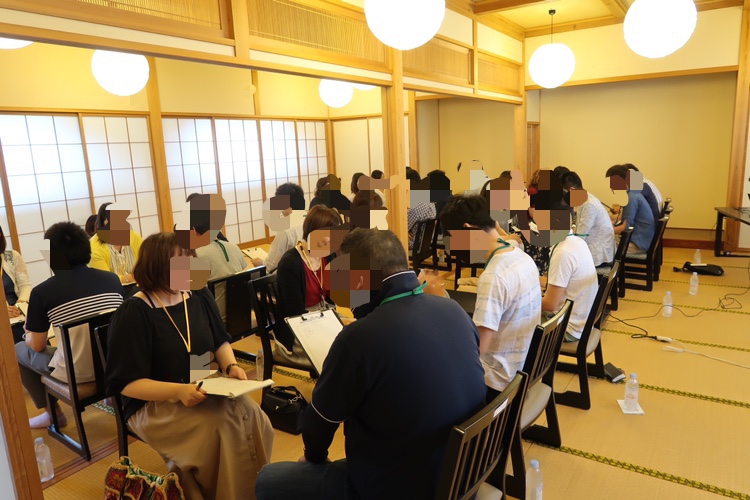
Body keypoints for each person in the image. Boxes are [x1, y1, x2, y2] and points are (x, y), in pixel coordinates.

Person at [255, 229, 486, 500]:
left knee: (268, 480)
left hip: (397, 485)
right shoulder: (453, 310)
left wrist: (314, 457)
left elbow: (317, 429)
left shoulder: (360, 338)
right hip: (463, 471)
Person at [105, 232, 274, 500]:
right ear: (156, 268)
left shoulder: (197, 294)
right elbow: (127, 383)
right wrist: (179, 392)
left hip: (203, 383)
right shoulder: (135, 313)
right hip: (155, 404)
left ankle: (252, 490)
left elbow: (220, 340)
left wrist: (230, 367)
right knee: (219, 428)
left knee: (252, 414)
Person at [15, 222, 123, 429]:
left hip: (77, 372)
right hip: (114, 363)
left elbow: (36, 345)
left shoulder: (43, 292)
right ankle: (110, 396)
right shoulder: (112, 280)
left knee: (19, 349)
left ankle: (53, 414)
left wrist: (28, 333)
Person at [440, 195, 541, 397]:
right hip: (523, 367)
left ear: (468, 230)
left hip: (499, 382)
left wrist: (439, 304)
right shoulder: (521, 256)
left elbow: (477, 351)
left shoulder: (494, 275)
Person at [275, 205, 343, 365]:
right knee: (337, 356)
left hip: (323, 318)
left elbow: (332, 298)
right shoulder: (290, 263)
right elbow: (295, 312)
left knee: (356, 341)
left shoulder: (328, 256)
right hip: (298, 329)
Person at [185, 193, 247, 323]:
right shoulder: (234, 247)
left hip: (213, 323)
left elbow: (176, 292)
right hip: (241, 319)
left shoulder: (196, 257)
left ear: (194, 230)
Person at [542, 200, 599, 342]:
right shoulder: (576, 242)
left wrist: (519, 301)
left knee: (511, 320)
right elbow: (559, 283)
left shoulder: (563, 252)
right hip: (581, 322)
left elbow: (550, 304)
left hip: (567, 328)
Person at [561, 172, 616, 267]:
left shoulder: (589, 205)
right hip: (601, 250)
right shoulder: (587, 198)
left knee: (562, 259)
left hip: (599, 257)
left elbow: (580, 239)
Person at [254, 182, 306, 272]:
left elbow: (271, 265)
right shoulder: (310, 217)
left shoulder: (286, 230)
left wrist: (260, 262)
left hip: (291, 276)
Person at [89, 202, 143, 284]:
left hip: (138, 285)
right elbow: (105, 280)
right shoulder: (94, 246)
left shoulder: (134, 237)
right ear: (103, 222)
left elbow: (146, 262)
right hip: (111, 289)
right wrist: (131, 277)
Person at [606, 165, 655, 253]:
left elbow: (625, 227)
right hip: (641, 240)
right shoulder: (633, 193)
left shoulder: (632, 197)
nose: (611, 186)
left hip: (637, 244)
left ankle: (611, 266)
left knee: (601, 244)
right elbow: (623, 217)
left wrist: (604, 232)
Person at [1, 225, 31, 344]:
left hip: (18, 312)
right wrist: (3, 311)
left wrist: (20, 305)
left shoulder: (12, 256)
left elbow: (25, 285)